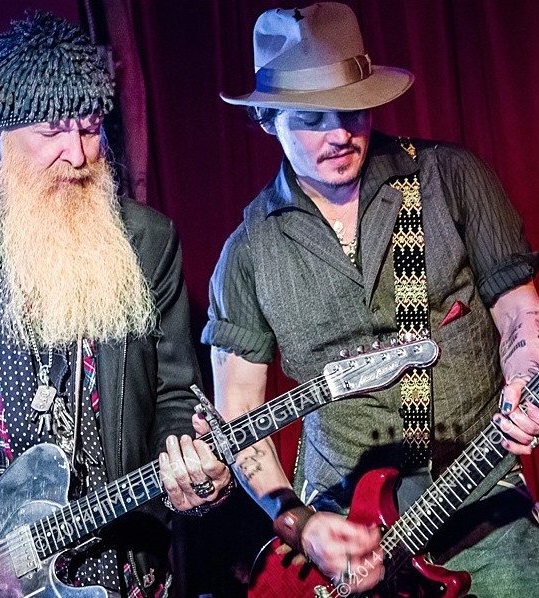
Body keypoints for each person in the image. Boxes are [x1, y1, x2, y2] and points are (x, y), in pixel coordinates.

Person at [201, 3, 539, 596]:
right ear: (266, 120)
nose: (340, 133)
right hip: (346, 542)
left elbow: (518, 311)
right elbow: (240, 420)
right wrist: (300, 526)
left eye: (351, 110)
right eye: (312, 117)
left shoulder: (448, 178)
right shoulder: (248, 252)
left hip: (483, 508)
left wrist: (527, 379)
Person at [0, 11, 231, 598]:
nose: (77, 154)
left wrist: (192, 465)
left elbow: (175, 394)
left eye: (91, 128)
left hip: (116, 562)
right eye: (52, 131)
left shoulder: (148, 240)